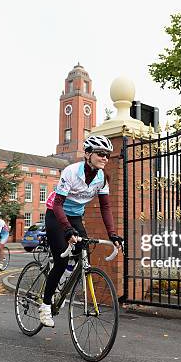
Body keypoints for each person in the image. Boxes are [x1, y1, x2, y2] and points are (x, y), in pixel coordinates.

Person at [38, 135, 124, 327]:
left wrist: (112, 233)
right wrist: (67, 229)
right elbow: (58, 204)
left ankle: (65, 276)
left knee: (84, 251)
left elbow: (106, 208)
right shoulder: (71, 172)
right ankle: (45, 305)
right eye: (101, 154)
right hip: (56, 214)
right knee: (60, 261)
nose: (105, 158)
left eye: (107, 155)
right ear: (87, 154)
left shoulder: (102, 178)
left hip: (75, 216)